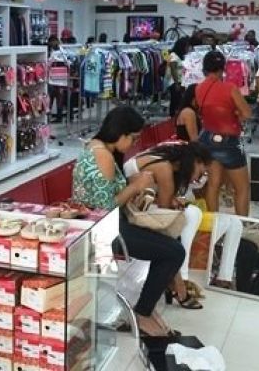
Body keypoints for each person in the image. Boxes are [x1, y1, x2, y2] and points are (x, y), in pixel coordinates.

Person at [71, 106, 184, 337]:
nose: (134, 144)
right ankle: (143, 313)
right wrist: (135, 187)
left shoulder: (96, 146)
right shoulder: (103, 155)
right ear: (120, 133)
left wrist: (134, 188)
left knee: (171, 243)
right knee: (174, 252)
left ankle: (146, 309)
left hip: (103, 225)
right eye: (133, 138)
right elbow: (105, 208)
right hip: (102, 231)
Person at [122, 141, 212, 309]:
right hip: (127, 214)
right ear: (195, 161)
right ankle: (179, 284)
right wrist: (171, 201)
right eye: (200, 173)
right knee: (176, 230)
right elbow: (165, 210)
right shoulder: (164, 168)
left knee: (186, 219)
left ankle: (176, 281)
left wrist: (170, 200)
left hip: (133, 207)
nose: (198, 179)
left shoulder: (164, 160)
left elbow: (157, 198)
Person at [196, 51, 252, 216]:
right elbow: (247, 113)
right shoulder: (230, 88)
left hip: (207, 138)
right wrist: (235, 113)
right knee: (242, 187)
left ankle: (213, 223)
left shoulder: (199, 88)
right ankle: (242, 224)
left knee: (213, 184)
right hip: (229, 141)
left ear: (205, 68)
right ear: (223, 69)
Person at [47, 35, 69, 122]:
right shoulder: (63, 51)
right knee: (56, 97)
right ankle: (55, 117)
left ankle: (55, 117)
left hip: (55, 78)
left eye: (52, 42)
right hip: (60, 78)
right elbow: (68, 63)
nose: (51, 44)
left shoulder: (57, 52)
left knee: (54, 97)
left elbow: (49, 64)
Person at [168, 37, 191, 116]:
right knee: (175, 100)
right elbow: (173, 70)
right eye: (186, 46)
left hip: (181, 80)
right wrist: (176, 83)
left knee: (179, 99)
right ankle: (172, 115)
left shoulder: (181, 55)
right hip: (174, 81)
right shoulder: (173, 55)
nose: (188, 48)